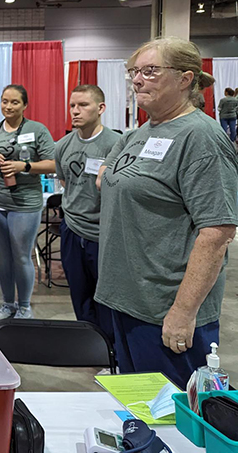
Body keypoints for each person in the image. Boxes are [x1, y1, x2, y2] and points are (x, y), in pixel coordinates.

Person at [95, 37, 237, 389]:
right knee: (138, 409)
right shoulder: (140, 132)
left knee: (171, 423)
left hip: (164, 308)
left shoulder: (201, 137)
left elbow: (216, 231)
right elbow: (106, 177)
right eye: (134, 72)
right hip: (126, 300)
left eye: (150, 71)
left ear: (186, 79)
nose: (137, 80)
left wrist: (183, 312)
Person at [0, 85, 56, 323]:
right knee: (2, 256)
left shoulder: (37, 130)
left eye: (15, 102)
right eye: (4, 101)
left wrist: (24, 166)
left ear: (25, 105)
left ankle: (25, 306)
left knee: (21, 256)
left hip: (25, 205)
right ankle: (8, 303)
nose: (8, 107)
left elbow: (52, 164)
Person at [54, 85, 120, 343]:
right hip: (72, 229)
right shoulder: (63, 146)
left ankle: (112, 351)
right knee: (80, 295)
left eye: (83, 105)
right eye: (72, 105)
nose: (75, 111)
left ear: (101, 108)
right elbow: (64, 182)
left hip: (104, 232)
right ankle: (91, 346)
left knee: (105, 297)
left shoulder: (116, 144)